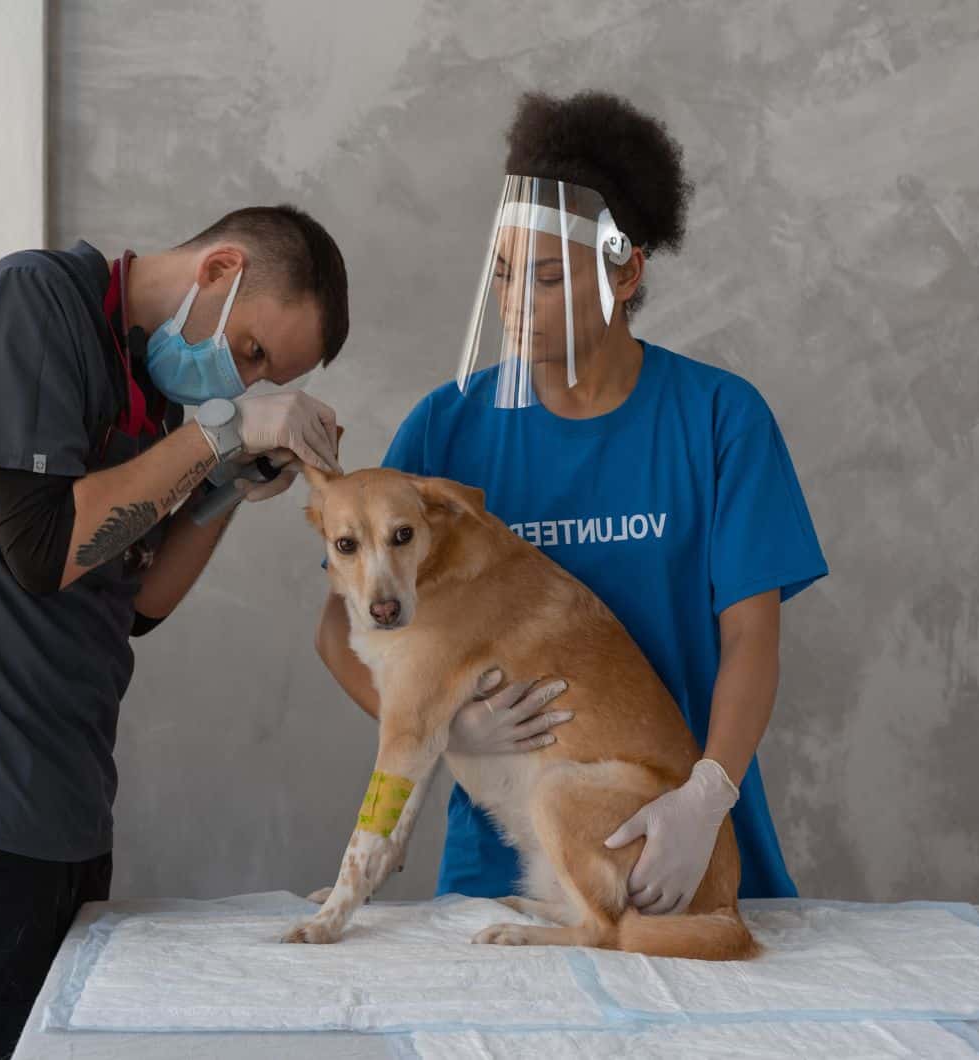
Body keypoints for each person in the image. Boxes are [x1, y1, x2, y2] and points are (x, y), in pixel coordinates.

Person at [0, 204, 349, 1059]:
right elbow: (46, 550)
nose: (246, 379)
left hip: (64, 797)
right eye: (253, 352)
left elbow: (139, 603)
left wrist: (223, 488)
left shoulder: (153, 395)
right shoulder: (32, 302)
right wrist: (220, 433)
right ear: (220, 270)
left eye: (265, 377)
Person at [316, 91, 827, 916]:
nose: (516, 302)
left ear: (625, 270)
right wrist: (447, 730)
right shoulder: (447, 428)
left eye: (548, 277)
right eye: (505, 274)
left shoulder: (720, 420)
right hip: (509, 875)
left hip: (680, 841)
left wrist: (705, 797)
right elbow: (342, 631)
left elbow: (751, 644)